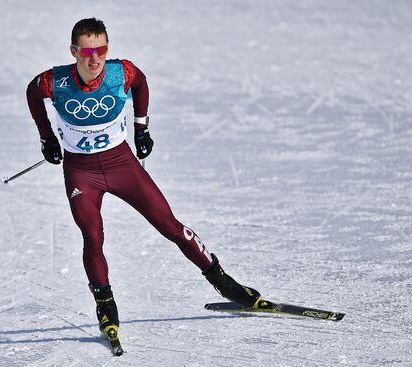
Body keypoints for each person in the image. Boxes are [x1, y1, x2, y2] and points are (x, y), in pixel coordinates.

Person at [26, 17, 267, 338]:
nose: (94, 58)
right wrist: (46, 138)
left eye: (101, 49)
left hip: (121, 164)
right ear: (74, 51)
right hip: (81, 173)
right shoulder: (53, 82)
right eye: (86, 52)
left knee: (171, 226)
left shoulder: (120, 72)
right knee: (92, 236)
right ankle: (106, 306)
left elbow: (140, 83)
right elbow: (32, 93)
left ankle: (225, 283)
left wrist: (142, 128)